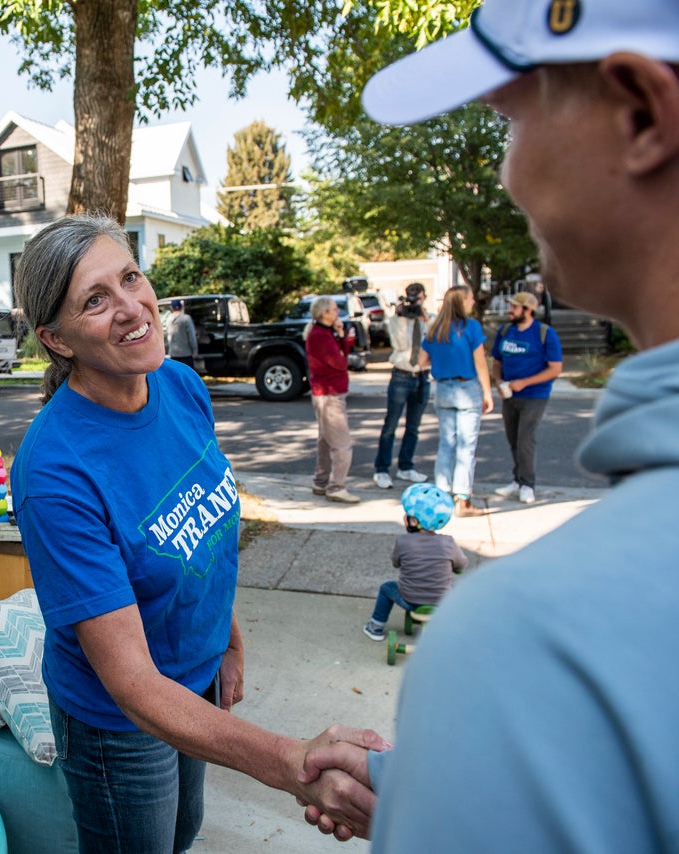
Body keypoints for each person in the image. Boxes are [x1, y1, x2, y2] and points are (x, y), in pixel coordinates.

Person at [302, 0, 679, 849]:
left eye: (511, 118)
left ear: (643, 115)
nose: (508, 174)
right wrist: (436, 785)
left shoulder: (527, 655)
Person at [10, 214, 386, 852]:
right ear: (57, 338)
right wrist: (295, 765)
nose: (132, 308)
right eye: (95, 301)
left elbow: (199, 537)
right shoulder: (54, 471)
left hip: (196, 678)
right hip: (118, 723)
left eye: (131, 278)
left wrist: (227, 644)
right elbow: (131, 683)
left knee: (182, 833)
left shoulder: (180, 386)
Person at [416, 285, 493, 517]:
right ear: (462, 302)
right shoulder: (471, 327)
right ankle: (463, 500)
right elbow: (480, 363)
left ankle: (442, 494)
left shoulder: (434, 329)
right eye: (470, 298)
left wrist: (442, 364)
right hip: (466, 388)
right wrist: (488, 392)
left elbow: (421, 362)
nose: (473, 302)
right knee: (466, 447)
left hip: (443, 389)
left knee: (446, 444)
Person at [361, 484, 467, 641]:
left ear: (413, 521)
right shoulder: (448, 543)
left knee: (386, 588)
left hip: (409, 599)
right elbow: (461, 565)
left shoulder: (403, 542)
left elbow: (396, 563)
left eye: (407, 515)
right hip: (440, 602)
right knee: (461, 588)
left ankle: (376, 626)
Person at [491, 291, 563, 504]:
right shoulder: (505, 331)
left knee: (525, 439)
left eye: (514, 307)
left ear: (528, 310)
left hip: (535, 395)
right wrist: (498, 381)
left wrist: (524, 382)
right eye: (510, 306)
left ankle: (527, 484)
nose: (510, 311)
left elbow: (555, 369)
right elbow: (496, 362)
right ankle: (517, 480)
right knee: (513, 439)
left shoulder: (544, 333)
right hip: (509, 395)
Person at [372, 283, 432, 490]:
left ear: (425, 298)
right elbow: (400, 345)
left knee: (413, 427)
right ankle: (382, 469)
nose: (416, 304)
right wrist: (402, 319)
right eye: (412, 300)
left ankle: (406, 466)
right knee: (391, 425)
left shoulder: (429, 319)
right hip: (402, 375)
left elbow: (436, 342)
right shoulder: (398, 319)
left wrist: (425, 320)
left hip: (423, 376)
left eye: (419, 299)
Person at [306, 297, 361, 503]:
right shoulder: (320, 336)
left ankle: (320, 482)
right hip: (330, 394)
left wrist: (340, 336)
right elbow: (340, 363)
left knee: (325, 440)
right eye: (334, 309)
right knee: (342, 443)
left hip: (326, 393)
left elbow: (342, 355)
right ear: (324, 314)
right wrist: (341, 342)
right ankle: (336, 486)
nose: (338, 311)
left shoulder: (324, 333)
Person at [166, 298, 199, 370]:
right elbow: (192, 336)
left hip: (173, 354)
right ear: (181, 307)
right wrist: (195, 351)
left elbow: (169, 337)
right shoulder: (186, 319)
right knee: (188, 376)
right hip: (186, 354)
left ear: (172, 308)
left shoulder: (168, 319)